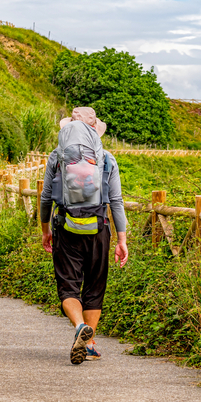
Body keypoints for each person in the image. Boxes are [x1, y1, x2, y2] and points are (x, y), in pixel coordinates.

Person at [39, 107, 128, 365]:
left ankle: (79, 326)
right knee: (94, 285)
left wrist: (45, 230)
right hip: (99, 228)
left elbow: (46, 197)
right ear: (95, 131)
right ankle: (89, 344)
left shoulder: (57, 157)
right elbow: (116, 201)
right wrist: (121, 240)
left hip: (65, 226)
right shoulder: (107, 158)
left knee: (68, 284)